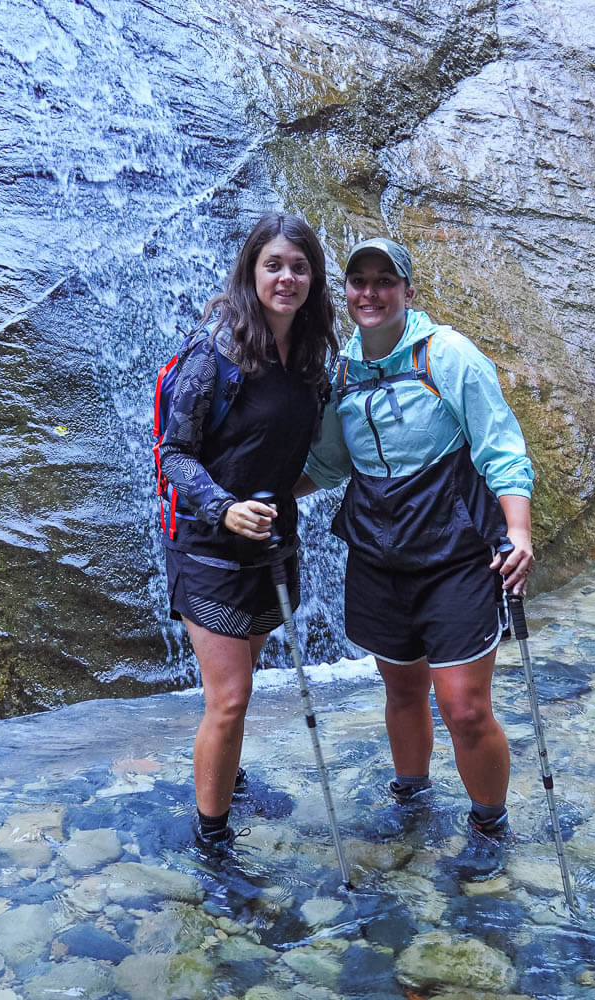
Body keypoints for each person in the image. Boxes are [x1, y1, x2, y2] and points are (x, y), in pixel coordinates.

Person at [295, 237, 534, 872]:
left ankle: (488, 823)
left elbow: (501, 450)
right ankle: (413, 796)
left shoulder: (450, 356)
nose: (369, 293)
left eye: (384, 281)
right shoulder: (339, 373)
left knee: (464, 704)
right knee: (400, 687)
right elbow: (326, 466)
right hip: (377, 553)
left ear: (407, 290)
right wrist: (249, 492)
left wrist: (521, 534)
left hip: (456, 553)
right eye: (358, 281)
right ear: (344, 293)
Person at [158, 212, 338, 852]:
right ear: (251, 271)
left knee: (244, 680)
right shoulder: (215, 351)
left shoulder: (315, 358)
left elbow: (306, 453)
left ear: (313, 278)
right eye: (274, 265)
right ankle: (211, 842)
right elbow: (174, 453)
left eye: (299, 266)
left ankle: (226, 780)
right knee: (230, 698)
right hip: (208, 544)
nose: (286, 277)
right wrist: (222, 506)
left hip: (271, 543)